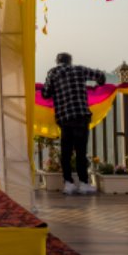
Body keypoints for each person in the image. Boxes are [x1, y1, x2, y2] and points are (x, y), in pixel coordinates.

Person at [40, 52, 107, 195]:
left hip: (65, 119)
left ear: (57, 62)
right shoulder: (79, 69)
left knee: (66, 152)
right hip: (81, 116)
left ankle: (68, 183)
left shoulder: (53, 73)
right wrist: (100, 84)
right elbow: (100, 76)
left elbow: (45, 93)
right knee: (81, 152)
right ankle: (83, 183)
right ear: (70, 61)